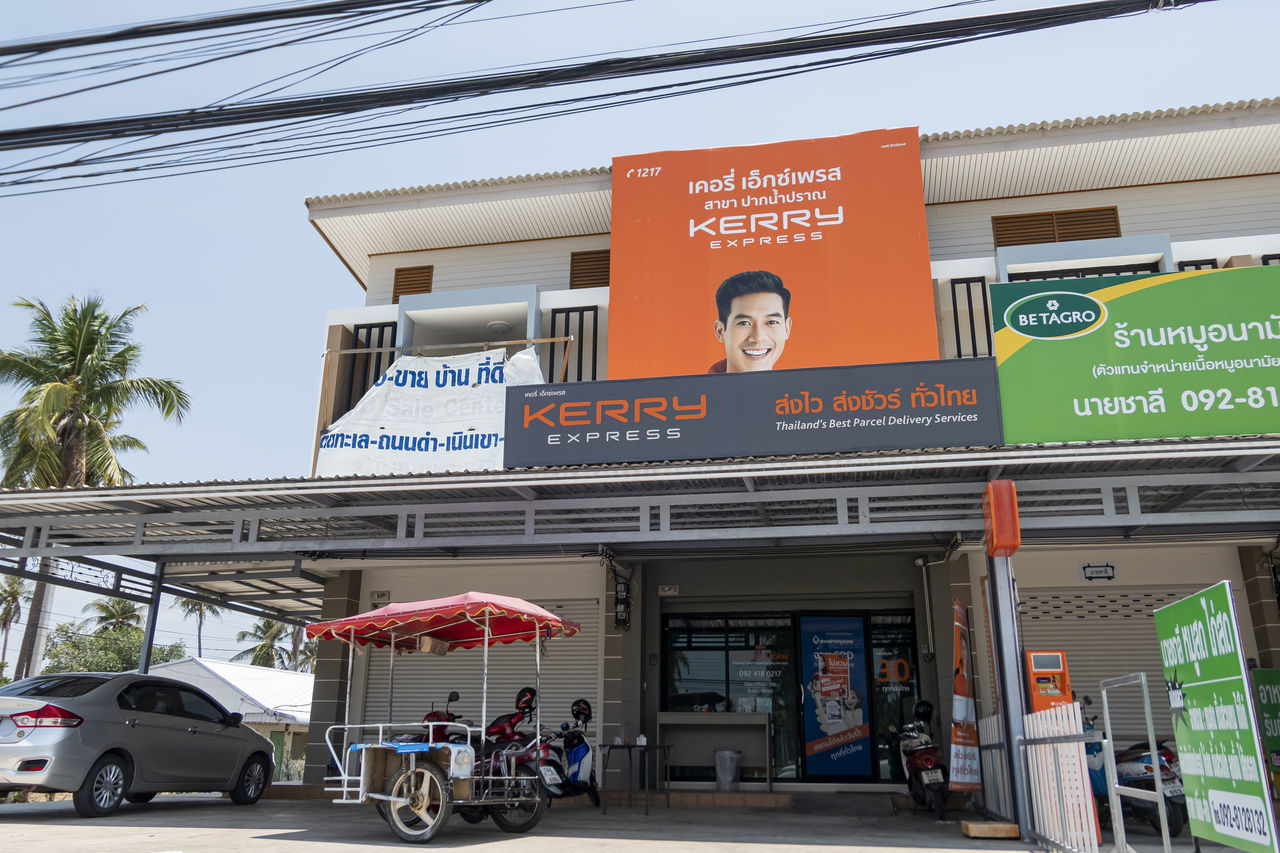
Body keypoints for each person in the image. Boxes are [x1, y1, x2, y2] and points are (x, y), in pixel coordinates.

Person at [708, 270, 793, 373]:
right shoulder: (690, 389)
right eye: (744, 323)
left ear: (787, 329)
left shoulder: (804, 388)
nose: (758, 337)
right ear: (720, 331)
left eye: (771, 322)